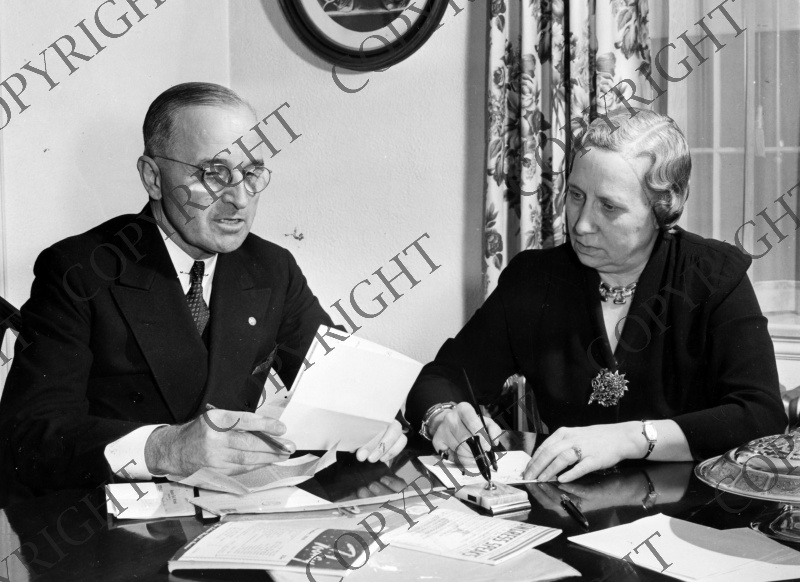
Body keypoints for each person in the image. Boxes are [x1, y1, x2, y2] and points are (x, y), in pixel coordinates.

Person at [0, 82, 406, 489]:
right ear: (153, 178)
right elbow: (28, 435)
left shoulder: (271, 268)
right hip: (111, 514)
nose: (239, 199)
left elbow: (341, 384)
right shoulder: (81, 270)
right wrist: (164, 448)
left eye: (251, 173)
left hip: (237, 509)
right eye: (214, 174)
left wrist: (372, 421)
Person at [406, 108, 786, 483]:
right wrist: (443, 417)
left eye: (609, 206)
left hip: (690, 509)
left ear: (665, 207)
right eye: (576, 195)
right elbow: (441, 378)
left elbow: (761, 415)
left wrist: (631, 438)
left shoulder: (713, 276)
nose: (581, 223)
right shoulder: (534, 280)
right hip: (568, 505)